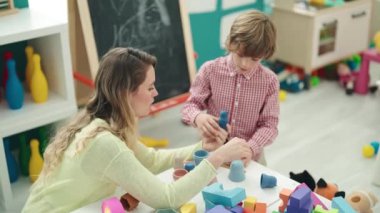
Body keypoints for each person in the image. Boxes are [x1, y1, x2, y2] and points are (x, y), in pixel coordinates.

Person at [22, 47, 252, 212]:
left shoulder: (105, 122)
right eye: (150, 87)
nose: (156, 93)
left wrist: (203, 147)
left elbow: (151, 159)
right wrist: (218, 157)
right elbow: (167, 198)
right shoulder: (104, 142)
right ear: (125, 93)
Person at [182, 10, 279, 165]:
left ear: (265, 54)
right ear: (231, 43)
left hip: (249, 157)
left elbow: (269, 126)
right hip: (211, 151)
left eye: (254, 59)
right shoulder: (210, 70)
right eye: (240, 55)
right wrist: (198, 117)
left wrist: (250, 148)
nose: (245, 64)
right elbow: (190, 106)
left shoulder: (270, 81)